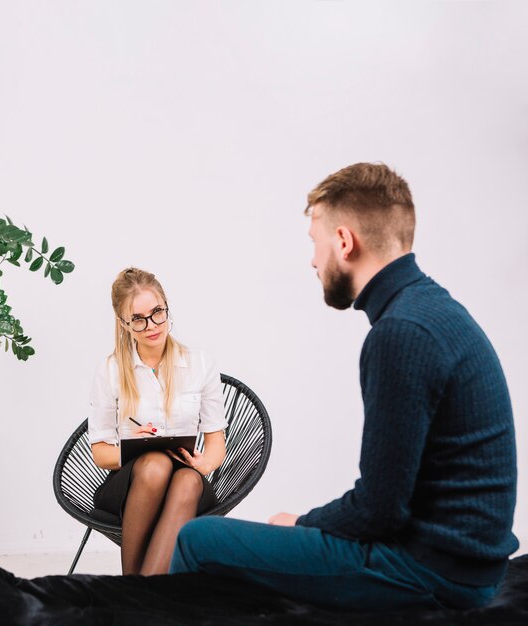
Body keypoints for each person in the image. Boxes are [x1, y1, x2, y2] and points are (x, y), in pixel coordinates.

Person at [169, 163, 519, 611]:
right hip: (464, 564)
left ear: (343, 241)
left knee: (199, 538)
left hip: (433, 572)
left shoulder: (401, 333)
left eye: (315, 244)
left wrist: (302, 525)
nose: (314, 261)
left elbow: (378, 511)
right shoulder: (433, 309)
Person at [88, 267, 227, 575]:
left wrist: (201, 465)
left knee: (187, 479)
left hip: (186, 476)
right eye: (138, 319)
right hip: (131, 483)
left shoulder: (199, 363)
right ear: (124, 324)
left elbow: (217, 445)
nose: (151, 325)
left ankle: (137, 596)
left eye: (157, 313)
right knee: (155, 465)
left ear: (167, 308)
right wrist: (134, 447)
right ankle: (145, 597)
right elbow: (100, 453)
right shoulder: (109, 371)